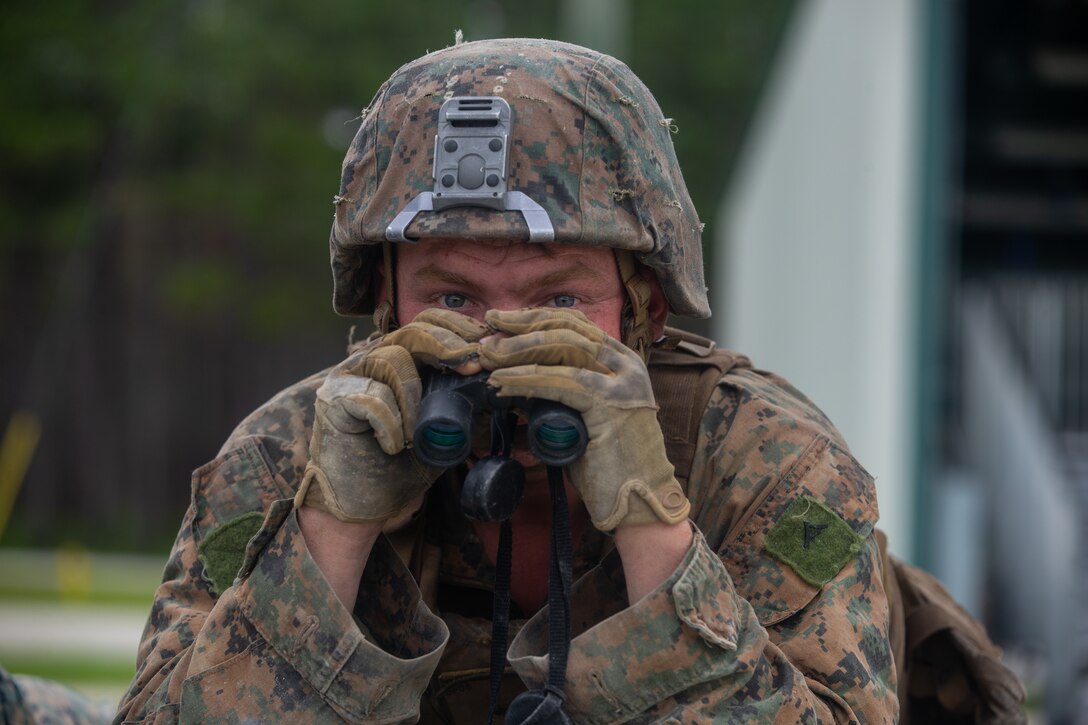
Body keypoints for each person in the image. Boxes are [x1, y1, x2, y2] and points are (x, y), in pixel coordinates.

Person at [117, 37, 898, 723]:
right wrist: (329, 538)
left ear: (645, 308)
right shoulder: (289, 456)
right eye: (451, 298)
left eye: (561, 299)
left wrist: (655, 532)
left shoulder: (763, 460)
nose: (500, 343)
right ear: (386, 306)